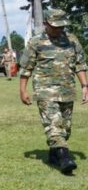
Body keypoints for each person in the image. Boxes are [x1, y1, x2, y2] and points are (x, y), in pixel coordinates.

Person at [19, 9, 87, 175]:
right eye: (55, 26)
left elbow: (79, 64)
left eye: (61, 26)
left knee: (65, 127)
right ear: (46, 24)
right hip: (45, 91)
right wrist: (23, 90)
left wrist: (85, 86)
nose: (58, 29)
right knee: (54, 124)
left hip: (67, 90)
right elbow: (26, 68)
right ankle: (64, 158)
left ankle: (54, 153)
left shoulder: (71, 40)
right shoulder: (36, 42)